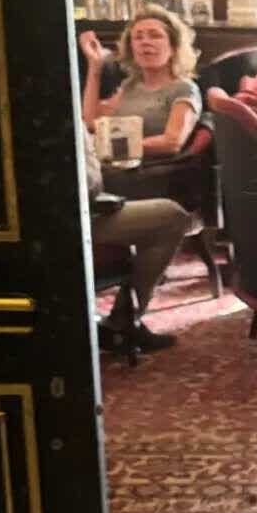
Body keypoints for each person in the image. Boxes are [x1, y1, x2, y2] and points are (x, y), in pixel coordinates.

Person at [83, 122, 190, 353]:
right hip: (77, 219)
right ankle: (125, 322)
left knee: (168, 214)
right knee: (171, 217)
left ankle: (125, 318)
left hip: (83, 210)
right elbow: (88, 185)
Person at [80, 5, 202, 156]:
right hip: (115, 162)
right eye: (138, 37)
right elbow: (92, 123)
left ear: (173, 47)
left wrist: (114, 146)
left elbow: (172, 142)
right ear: (132, 49)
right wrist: (95, 66)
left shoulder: (184, 88)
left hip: (150, 167)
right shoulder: (129, 86)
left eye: (155, 36)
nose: (145, 42)